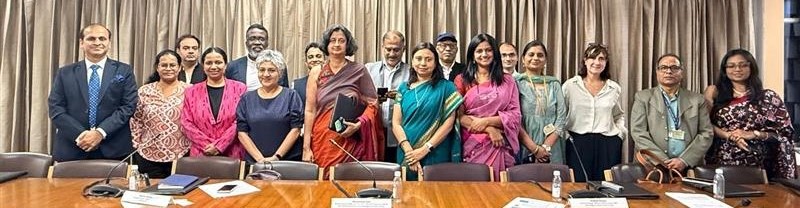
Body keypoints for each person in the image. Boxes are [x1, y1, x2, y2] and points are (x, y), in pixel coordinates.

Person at [48, 23, 138, 162]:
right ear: (81, 43)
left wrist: (100, 133)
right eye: (91, 38)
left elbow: (128, 107)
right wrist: (81, 135)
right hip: (73, 147)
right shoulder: (65, 73)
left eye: (102, 38)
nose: (97, 42)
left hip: (113, 149)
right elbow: (56, 108)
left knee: (112, 185)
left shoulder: (124, 71)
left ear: (109, 43)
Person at [302, 24, 384, 176]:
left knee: (349, 182)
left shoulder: (358, 70)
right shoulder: (317, 72)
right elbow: (309, 110)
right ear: (326, 44)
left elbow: (373, 103)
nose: (337, 44)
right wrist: (306, 148)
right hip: (323, 140)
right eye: (333, 40)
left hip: (350, 138)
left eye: (341, 40)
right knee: (323, 185)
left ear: (348, 45)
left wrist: (359, 125)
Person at [704, 49, 797, 179]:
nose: (737, 69)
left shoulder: (768, 97)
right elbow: (704, 124)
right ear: (724, 70)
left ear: (751, 67)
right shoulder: (714, 92)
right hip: (722, 160)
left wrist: (753, 134)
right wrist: (730, 136)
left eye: (743, 65)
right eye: (731, 66)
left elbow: (784, 133)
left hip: (762, 163)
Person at [392, 42, 463, 180]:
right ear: (412, 61)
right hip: (407, 151)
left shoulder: (447, 88)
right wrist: (409, 152)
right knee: (407, 195)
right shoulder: (403, 89)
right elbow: (396, 123)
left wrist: (424, 149)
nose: (423, 63)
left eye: (428, 59)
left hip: (436, 152)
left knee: (436, 195)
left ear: (436, 63)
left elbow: (448, 124)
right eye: (418, 59)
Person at [455, 34, 521, 181]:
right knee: (476, 190)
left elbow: (515, 115)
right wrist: (489, 129)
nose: (484, 54)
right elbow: (459, 117)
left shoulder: (507, 81)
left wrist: (486, 121)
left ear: (494, 53)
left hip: (501, 143)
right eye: (479, 51)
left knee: (501, 190)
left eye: (488, 50)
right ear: (472, 55)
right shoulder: (462, 80)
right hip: (474, 143)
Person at [630, 54, 712, 172]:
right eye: (664, 67)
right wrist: (661, 160)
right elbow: (638, 132)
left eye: (674, 68)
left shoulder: (697, 99)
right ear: (657, 72)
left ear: (682, 72)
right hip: (653, 166)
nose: (669, 71)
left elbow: (706, 133)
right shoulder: (643, 97)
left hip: (689, 166)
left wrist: (684, 160)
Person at [562, 43, 625, 182]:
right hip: (577, 141)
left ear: (606, 62)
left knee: (606, 186)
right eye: (592, 58)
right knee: (578, 184)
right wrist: (566, 136)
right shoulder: (570, 86)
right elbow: (561, 115)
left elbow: (619, 115)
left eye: (601, 58)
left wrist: (620, 133)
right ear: (585, 60)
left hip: (608, 142)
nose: (597, 62)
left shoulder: (614, 88)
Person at [130, 49, 191, 178]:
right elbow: (136, 120)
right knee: (151, 194)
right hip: (148, 154)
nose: (168, 68)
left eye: (172, 65)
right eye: (164, 65)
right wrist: (136, 144)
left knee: (179, 194)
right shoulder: (145, 91)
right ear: (157, 68)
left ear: (179, 67)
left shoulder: (190, 90)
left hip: (181, 154)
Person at [237, 51, 304, 164]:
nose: (266, 74)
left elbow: (296, 129)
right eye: (262, 70)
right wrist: (259, 159)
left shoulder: (291, 96)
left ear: (280, 73)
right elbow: (242, 132)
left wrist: (276, 157)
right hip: (255, 163)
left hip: (287, 162)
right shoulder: (246, 98)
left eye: (271, 70)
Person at [181, 47, 247, 159]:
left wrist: (219, 145)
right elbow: (186, 123)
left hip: (232, 153)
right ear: (203, 66)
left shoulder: (240, 89)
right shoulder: (191, 91)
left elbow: (240, 121)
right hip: (201, 153)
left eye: (218, 62)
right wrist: (207, 145)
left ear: (225, 65)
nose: (213, 66)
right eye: (209, 63)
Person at [515, 40, 567, 164]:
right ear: (523, 59)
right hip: (524, 142)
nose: (535, 58)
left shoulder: (554, 84)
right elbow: (514, 117)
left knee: (551, 179)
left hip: (552, 144)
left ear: (545, 60)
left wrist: (545, 147)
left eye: (540, 55)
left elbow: (561, 117)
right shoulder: (515, 83)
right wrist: (534, 148)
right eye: (531, 54)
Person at [366, 30, 411, 163]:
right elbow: (360, 97)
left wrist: (401, 98)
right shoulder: (368, 69)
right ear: (382, 47)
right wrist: (375, 99)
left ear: (403, 49)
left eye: (396, 50)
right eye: (388, 49)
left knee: (397, 171)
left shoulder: (412, 72)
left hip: (400, 133)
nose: (392, 54)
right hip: (374, 130)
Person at [226, 23, 289, 90]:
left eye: (261, 39)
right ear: (246, 43)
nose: (257, 43)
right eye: (252, 39)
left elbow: (285, 92)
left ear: (267, 43)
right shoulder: (233, 66)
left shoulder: (279, 65)